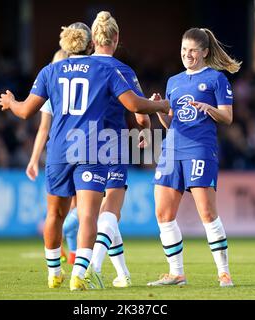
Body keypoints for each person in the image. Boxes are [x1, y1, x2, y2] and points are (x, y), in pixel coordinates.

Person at [0, 22, 170, 291]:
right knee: (89, 215)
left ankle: (54, 273)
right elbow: (134, 105)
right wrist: (161, 104)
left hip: (58, 150)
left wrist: (10, 103)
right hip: (93, 148)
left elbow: (24, 112)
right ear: (91, 45)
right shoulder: (103, 69)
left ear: (65, 46)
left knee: (54, 214)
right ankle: (80, 273)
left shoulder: (50, 71)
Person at [147, 27, 241, 287]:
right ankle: (176, 273)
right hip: (171, 148)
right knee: (163, 213)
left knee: (207, 212)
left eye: (192, 51)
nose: (187, 55)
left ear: (204, 53)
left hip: (200, 148)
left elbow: (228, 117)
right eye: (183, 50)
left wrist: (209, 108)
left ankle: (224, 272)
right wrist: (158, 110)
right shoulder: (174, 81)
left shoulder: (216, 79)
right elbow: (170, 124)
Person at [84, 11, 151, 289]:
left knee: (102, 213)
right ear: (117, 38)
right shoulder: (123, 70)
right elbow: (138, 109)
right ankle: (93, 267)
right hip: (111, 143)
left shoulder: (80, 67)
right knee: (112, 206)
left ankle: (122, 274)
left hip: (79, 143)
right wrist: (145, 129)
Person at [25, 49, 78, 265]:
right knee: (81, 209)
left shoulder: (53, 88)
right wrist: (33, 159)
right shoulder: (80, 88)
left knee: (71, 208)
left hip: (59, 152)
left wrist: (34, 159)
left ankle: (72, 254)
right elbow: (42, 129)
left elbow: (43, 129)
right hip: (81, 150)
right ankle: (54, 233)